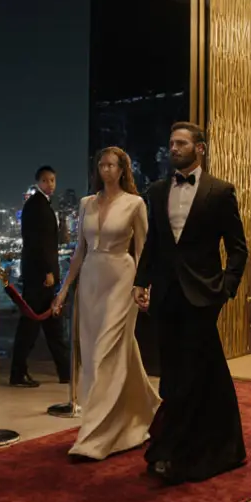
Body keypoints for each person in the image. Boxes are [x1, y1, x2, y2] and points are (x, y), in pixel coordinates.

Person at [133, 122, 248, 484]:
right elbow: (154, 244)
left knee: (195, 371)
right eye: (170, 143)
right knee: (175, 373)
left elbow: (238, 248)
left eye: (181, 143)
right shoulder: (157, 190)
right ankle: (188, 444)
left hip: (203, 295)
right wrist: (141, 280)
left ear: (200, 148)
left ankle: (179, 451)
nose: (173, 148)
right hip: (166, 294)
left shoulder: (220, 191)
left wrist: (226, 287)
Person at [53, 147, 160, 460]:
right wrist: (64, 290)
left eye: (111, 165)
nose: (106, 170)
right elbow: (79, 253)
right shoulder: (86, 203)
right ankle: (143, 412)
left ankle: (94, 437)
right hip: (90, 283)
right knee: (100, 355)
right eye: (101, 164)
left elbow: (143, 250)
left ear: (122, 168)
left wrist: (145, 287)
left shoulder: (135, 203)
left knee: (105, 353)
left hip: (122, 281)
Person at [9, 165, 72, 387]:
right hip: (39, 276)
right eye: (46, 180)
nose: (50, 184)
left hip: (40, 274)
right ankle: (18, 373)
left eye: (53, 180)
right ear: (38, 182)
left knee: (51, 324)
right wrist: (48, 271)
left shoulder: (42, 204)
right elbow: (39, 242)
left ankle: (65, 371)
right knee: (30, 326)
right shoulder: (36, 205)